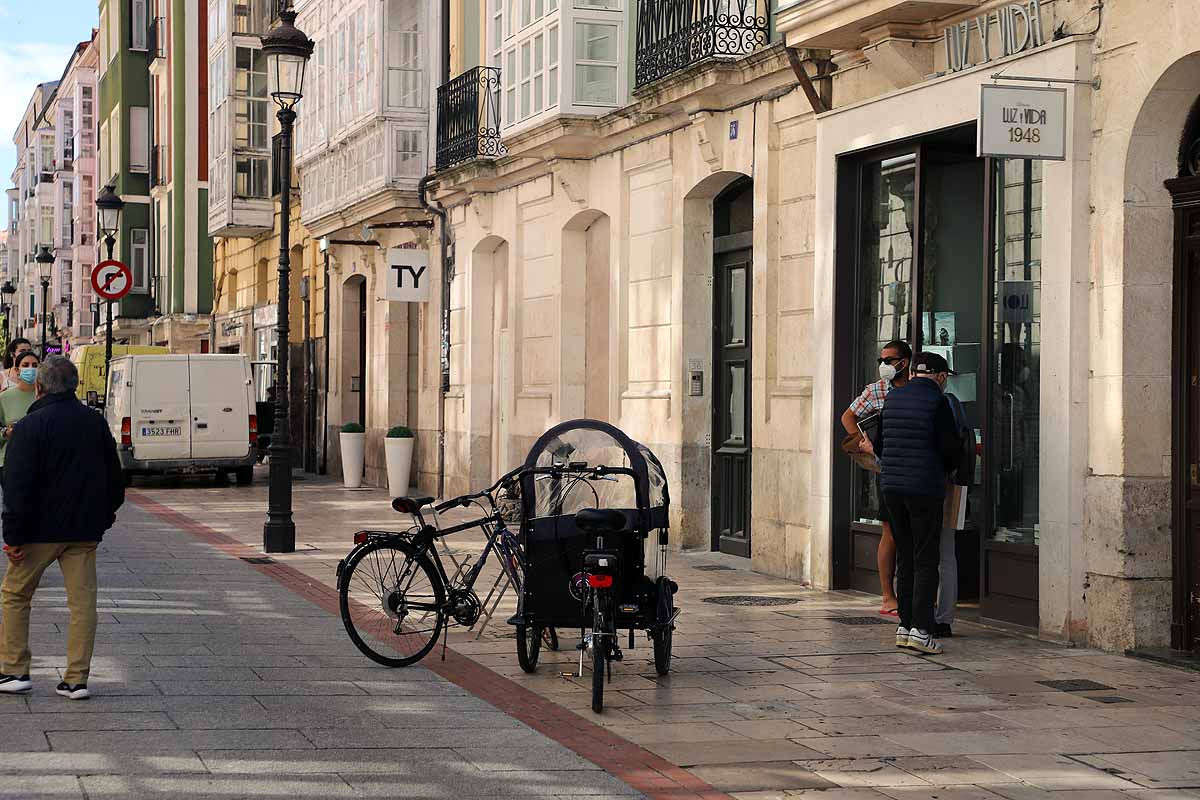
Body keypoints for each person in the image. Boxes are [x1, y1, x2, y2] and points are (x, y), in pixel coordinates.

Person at [0, 356, 125, 699]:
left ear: (38, 387)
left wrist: (12, 536)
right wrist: (103, 519)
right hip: (83, 532)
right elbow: (115, 480)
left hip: (37, 532)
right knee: (83, 604)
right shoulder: (95, 423)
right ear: (75, 386)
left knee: (14, 595)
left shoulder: (29, 426)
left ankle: (14, 671)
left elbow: (17, 486)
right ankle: (76, 679)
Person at [875, 351, 961, 656]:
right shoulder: (938, 402)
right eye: (945, 377)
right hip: (924, 488)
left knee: (906, 556)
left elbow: (879, 445)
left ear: (913, 373)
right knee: (927, 559)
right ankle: (922, 631)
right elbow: (950, 449)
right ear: (939, 376)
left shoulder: (893, 398)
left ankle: (905, 625)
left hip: (893, 488)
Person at [841, 339, 911, 616]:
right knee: (890, 531)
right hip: (886, 468)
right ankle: (887, 595)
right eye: (881, 360)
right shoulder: (876, 389)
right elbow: (848, 416)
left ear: (904, 363)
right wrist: (863, 441)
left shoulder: (917, 387)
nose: (884, 365)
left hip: (911, 467)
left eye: (889, 360)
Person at [0, 352, 41, 482]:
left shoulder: (47, 397)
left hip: (40, 463)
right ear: (17, 370)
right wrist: (6, 433)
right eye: (25, 365)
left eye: (35, 365)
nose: (31, 368)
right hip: (10, 463)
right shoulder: (4, 398)